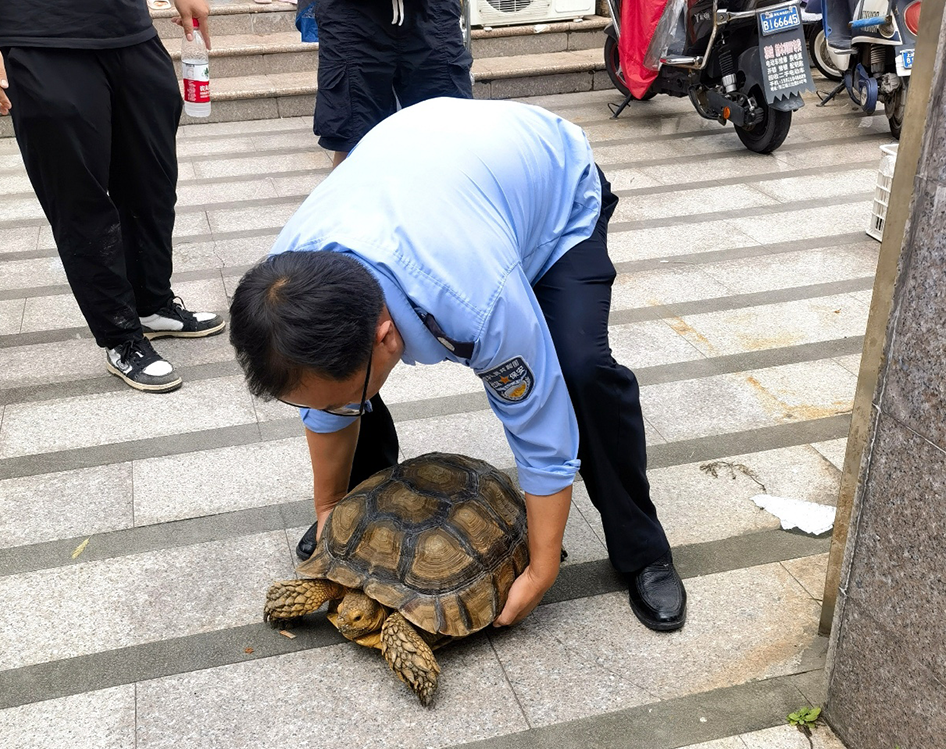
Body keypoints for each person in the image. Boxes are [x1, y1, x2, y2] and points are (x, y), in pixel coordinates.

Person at [228, 97, 687, 631]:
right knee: (345, 394)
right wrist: (331, 512)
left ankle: (643, 549)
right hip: (442, 169)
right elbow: (322, 399)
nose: (326, 414)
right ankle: (363, 514)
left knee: (581, 370)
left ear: (386, 337)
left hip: (553, 193)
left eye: (334, 406)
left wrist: (540, 568)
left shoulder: (475, 299)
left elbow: (541, 430)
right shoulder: (288, 284)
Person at [0, 0, 224, 393]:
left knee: (153, 185)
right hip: (38, 37)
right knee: (81, 202)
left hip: (129, 30)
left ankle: (151, 304)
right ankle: (121, 337)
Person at [312, 0, 473, 167]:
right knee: (353, 131)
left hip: (431, 11)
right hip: (350, 15)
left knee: (448, 124)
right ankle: (352, 191)